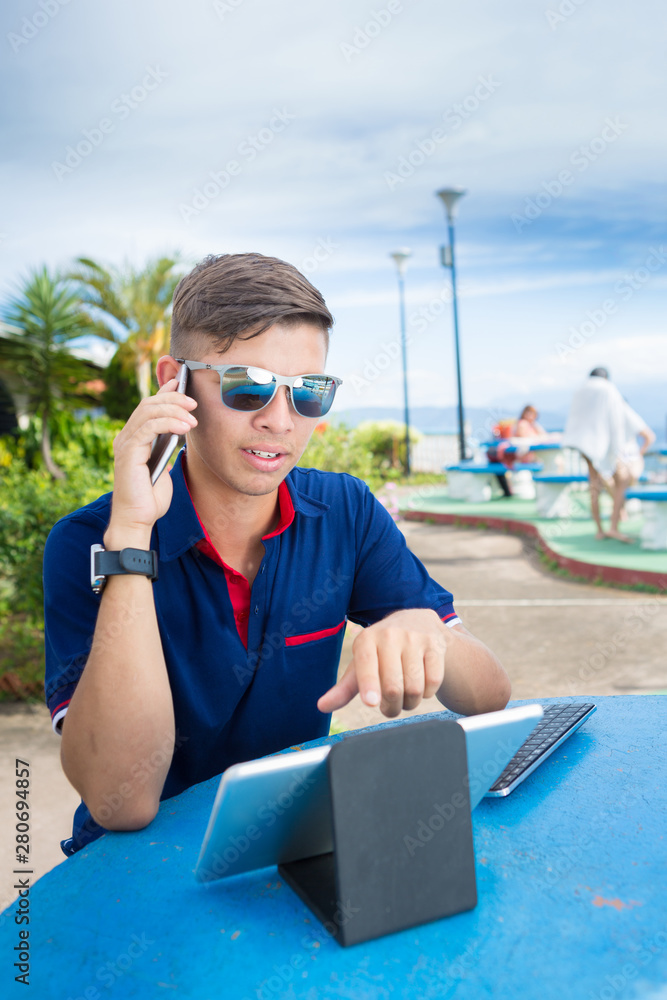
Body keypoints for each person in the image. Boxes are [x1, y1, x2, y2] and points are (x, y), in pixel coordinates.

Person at [43, 253, 511, 856]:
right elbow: (121, 801)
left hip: (285, 848)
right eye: (247, 385)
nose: (280, 421)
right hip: (134, 872)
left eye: (309, 392)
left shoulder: (344, 511)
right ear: (174, 383)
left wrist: (432, 636)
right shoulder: (89, 541)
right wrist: (131, 535)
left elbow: (490, 697)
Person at [562, 367, 655, 542]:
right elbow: (615, 420)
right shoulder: (608, 389)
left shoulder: (581, 390)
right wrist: (618, 451)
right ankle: (614, 526)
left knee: (594, 487)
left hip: (585, 446)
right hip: (605, 445)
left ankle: (599, 530)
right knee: (622, 481)